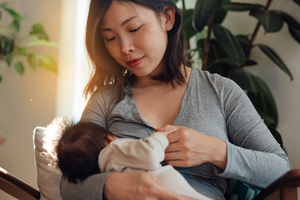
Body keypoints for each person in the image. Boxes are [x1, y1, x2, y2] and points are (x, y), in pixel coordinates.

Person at [60, 0, 292, 199]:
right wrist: (111, 186)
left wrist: (216, 151)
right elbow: (68, 184)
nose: (124, 48)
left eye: (134, 28)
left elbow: (282, 171)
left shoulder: (221, 91)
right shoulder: (105, 100)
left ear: (167, 18)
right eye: (110, 38)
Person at [56, 120, 212, 200]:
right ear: (109, 138)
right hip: (166, 186)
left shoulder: (105, 168)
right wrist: (159, 137)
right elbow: (149, 154)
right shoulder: (114, 149)